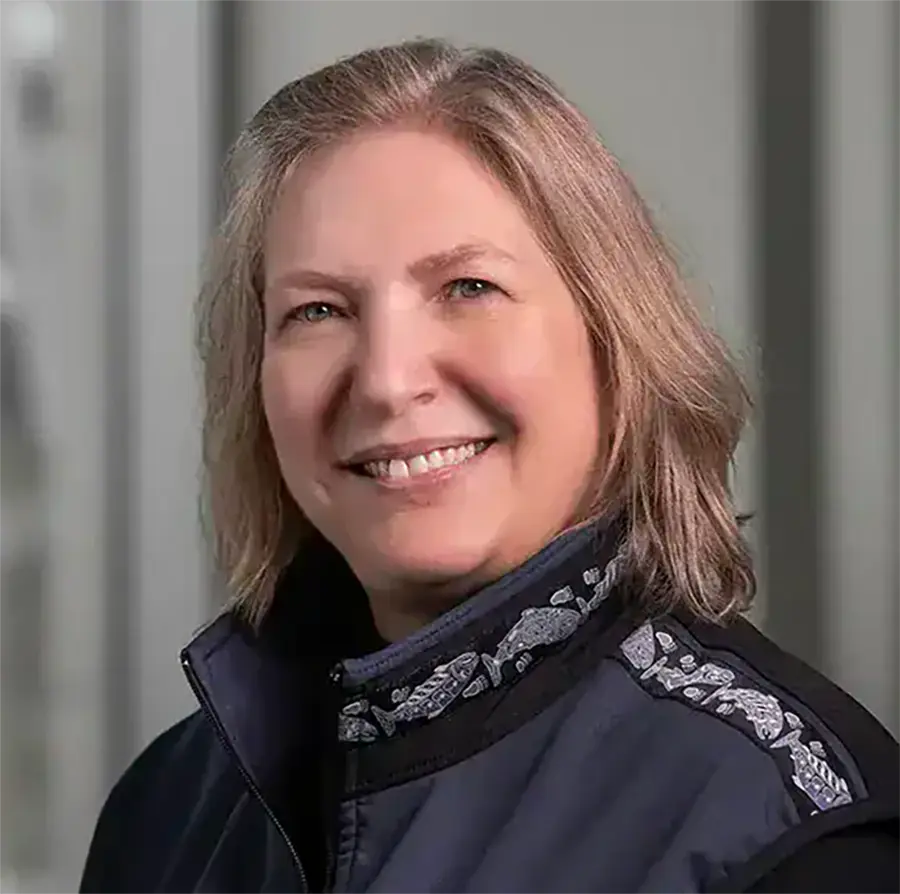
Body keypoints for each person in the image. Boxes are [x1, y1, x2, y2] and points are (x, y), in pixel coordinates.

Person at [79, 39, 900, 894]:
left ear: (615, 343)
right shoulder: (166, 808)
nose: (390, 380)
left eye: (468, 288)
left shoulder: (795, 836)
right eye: (317, 309)